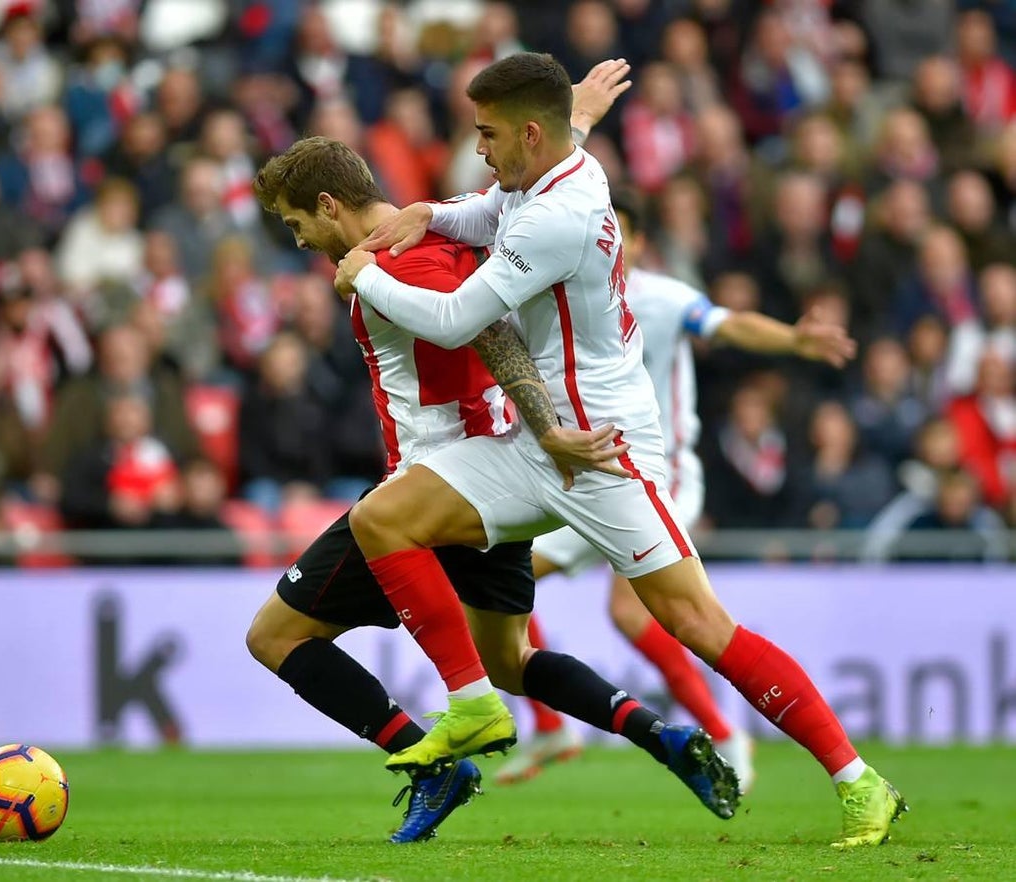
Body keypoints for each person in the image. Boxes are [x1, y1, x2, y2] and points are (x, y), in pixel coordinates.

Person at [336, 52, 905, 848]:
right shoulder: (561, 172)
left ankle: (860, 782)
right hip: (538, 441)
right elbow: (491, 205)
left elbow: (459, 318)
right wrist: (431, 212)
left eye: (489, 135)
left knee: (699, 625)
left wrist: (362, 273)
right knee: (381, 519)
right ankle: (474, 705)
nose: (481, 150)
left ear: (533, 136)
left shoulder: (556, 217)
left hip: (605, 450)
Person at [248, 61, 739, 845]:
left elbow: (490, 329)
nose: (296, 236)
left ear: (328, 204)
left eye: (294, 220)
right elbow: (523, 197)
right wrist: (575, 115)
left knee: (274, 637)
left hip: (438, 488)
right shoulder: (429, 237)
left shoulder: (400, 263)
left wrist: (545, 429)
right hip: (493, 484)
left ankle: (432, 756)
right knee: (513, 660)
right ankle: (661, 736)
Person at [496, 189, 858, 789]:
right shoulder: (561, 294)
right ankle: (553, 725)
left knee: (638, 613)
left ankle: (723, 731)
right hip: (583, 473)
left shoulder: (661, 298)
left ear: (635, 243)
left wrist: (793, 341)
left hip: (659, 471)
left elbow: (726, 323)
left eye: (623, 233)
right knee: (508, 578)